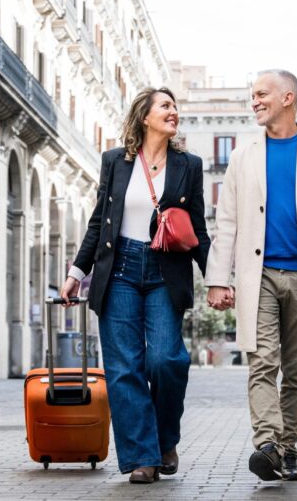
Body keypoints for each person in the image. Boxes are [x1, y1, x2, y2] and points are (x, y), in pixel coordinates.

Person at [204, 70, 297, 482]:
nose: (254, 101)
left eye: (261, 94)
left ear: (288, 97)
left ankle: (288, 449)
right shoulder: (242, 155)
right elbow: (227, 220)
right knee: (261, 360)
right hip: (260, 275)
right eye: (252, 95)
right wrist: (219, 277)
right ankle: (267, 444)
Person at [61, 87, 210, 484]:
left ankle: (165, 440)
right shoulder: (116, 161)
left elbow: (197, 228)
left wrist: (216, 280)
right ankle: (142, 458)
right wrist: (77, 274)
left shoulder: (188, 165)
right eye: (165, 106)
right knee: (124, 367)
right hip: (120, 267)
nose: (173, 111)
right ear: (145, 116)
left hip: (165, 269)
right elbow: (99, 221)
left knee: (165, 360)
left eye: (175, 106)